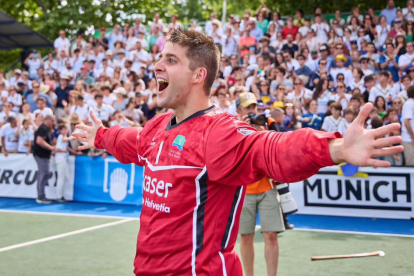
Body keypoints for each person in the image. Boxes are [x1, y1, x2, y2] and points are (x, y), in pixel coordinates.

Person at [73, 29, 403, 276]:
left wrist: (337, 147)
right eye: (160, 57)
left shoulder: (218, 131)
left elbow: (272, 148)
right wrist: (101, 135)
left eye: (171, 60)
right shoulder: (157, 128)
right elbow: (130, 141)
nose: (156, 66)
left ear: (198, 75)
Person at [236, 93, 284, 276]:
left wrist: (261, 130)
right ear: (239, 111)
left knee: (271, 235)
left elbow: (279, 147)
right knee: (246, 236)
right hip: (244, 189)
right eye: (248, 108)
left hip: (267, 187)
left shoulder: (267, 123)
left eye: (254, 107)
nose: (252, 111)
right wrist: (243, 128)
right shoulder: (233, 126)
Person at [33, 115, 54, 204]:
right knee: (43, 173)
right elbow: (39, 141)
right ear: (48, 120)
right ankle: (40, 196)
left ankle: (41, 195)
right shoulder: (43, 129)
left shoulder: (44, 128)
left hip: (42, 155)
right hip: (41, 155)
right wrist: (51, 148)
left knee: (43, 174)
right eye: (52, 121)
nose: (53, 123)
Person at [55, 124, 75, 203]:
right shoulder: (61, 136)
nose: (66, 130)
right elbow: (57, 148)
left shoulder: (64, 137)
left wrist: (76, 152)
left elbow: (67, 147)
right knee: (61, 178)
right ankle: (59, 196)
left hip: (64, 160)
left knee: (66, 177)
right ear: (61, 130)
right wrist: (73, 137)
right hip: (61, 160)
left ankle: (62, 195)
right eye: (65, 129)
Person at [402, 86, 414, 165]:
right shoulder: (409, 104)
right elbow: (406, 122)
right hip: (409, 140)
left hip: (411, 139)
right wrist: (412, 136)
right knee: (411, 164)